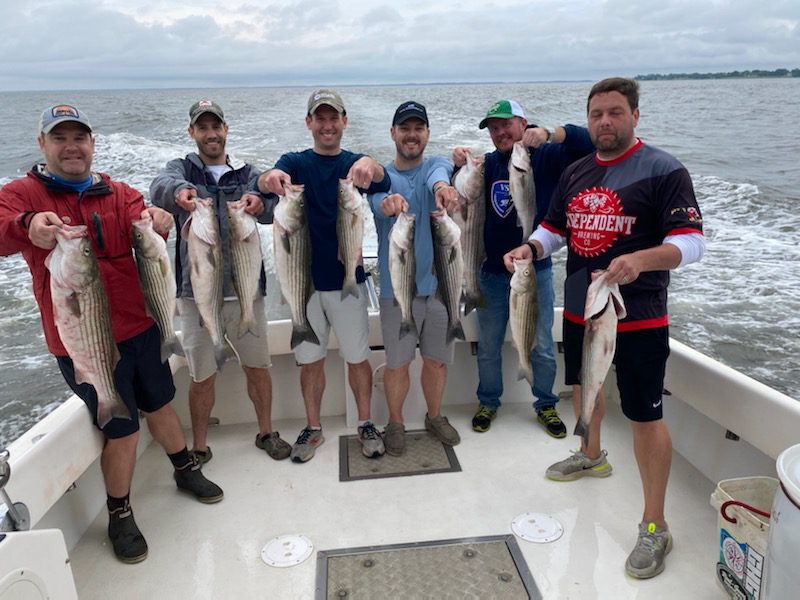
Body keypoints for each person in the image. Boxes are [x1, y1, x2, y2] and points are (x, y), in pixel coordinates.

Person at [0, 105, 224, 564]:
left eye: (78, 137)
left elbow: (146, 216)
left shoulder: (117, 193)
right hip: (84, 340)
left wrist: (158, 220)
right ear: (42, 144)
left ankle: (184, 467)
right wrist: (28, 225)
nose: (71, 147)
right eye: (59, 138)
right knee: (121, 430)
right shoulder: (24, 194)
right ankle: (119, 513)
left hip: (140, 329)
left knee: (161, 403)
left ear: (92, 143)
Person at [504, 77, 705, 578]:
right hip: (579, 304)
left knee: (643, 415)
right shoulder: (576, 171)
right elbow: (554, 230)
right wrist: (529, 249)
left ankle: (655, 525)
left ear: (635, 115)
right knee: (583, 388)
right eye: (597, 114)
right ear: (587, 118)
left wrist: (640, 259)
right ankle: (590, 454)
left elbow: (692, 243)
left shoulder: (663, 170)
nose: (605, 122)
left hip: (638, 314)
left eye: (616, 113)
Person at [150, 100, 291, 464]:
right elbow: (160, 187)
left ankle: (266, 432)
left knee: (258, 368)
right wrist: (180, 191)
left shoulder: (245, 173)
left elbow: (273, 205)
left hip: (246, 292)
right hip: (195, 295)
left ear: (226, 130)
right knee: (202, 376)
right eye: (203, 127)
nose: (211, 134)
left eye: (216, 127)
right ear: (192, 132)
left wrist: (260, 201)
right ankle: (199, 445)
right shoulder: (180, 169)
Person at [258, 89, 390, 462]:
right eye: (321, 118)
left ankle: (365, 422)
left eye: (334, 118)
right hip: (305, 286)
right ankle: (313, 426)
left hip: (348, 283)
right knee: (311, 360)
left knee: (357, 358)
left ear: (345, 122)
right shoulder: (296, 162)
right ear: (309, 123)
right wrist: (272, 178)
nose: (327, 124)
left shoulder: (353, 164)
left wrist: (371, 164)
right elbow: (269, 178)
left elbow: (383, 182)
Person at [452, 99, 595, 436]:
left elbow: (589, 143)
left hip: (534, 268)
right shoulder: (485, 165)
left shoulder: (545, 157)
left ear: (523, 123)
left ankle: (545, 404)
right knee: (488, 345)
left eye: (506, 124)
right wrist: (455, 162)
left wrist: (551, 133)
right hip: (489, 272)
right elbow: (457, 190)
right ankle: (488, 400)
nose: (500, 132)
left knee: (542, 344)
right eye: (493, 127)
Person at [367, 101, 462, 456]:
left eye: (418, 128)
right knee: (397, 364)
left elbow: (441, 171)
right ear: (393, 134)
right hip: (397, 292)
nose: (412, 135)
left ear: (427, 133)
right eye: (404, 128)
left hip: (440, 289)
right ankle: (395, 421)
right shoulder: (384, 180)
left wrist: (444, 188)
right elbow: (377, 199)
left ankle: (434, 415)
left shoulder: (435, 165)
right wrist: (387, 204)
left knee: (436, 361)